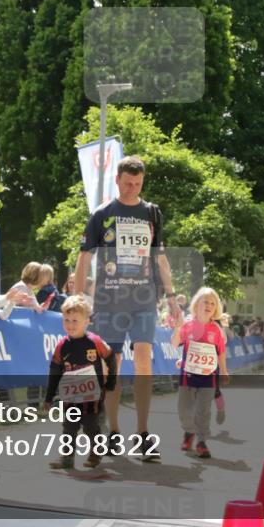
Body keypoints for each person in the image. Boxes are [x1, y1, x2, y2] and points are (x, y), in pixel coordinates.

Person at [74, 155, 181, 462]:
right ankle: (113, 433)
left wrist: (172, 296)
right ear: (118, 180)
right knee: (113, 365)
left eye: (138, 183)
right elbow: (84, 258)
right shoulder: (102, 214)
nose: (133, 188)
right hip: (110, 301)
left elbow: (160, 257)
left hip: (144, 299)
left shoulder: (152, 213)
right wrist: (79, 297)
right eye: (128, 182)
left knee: (144, 359)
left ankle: (144, 435)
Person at [44, 295, 118, 470]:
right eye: (66, 320)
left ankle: (96, 450)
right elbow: (54, 371)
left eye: (75, 320)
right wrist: (48, 397)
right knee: (69, 427)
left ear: (87, 321)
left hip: (92, 395)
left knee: (91, 425)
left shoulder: (96, 342)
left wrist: (111, 382)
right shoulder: (61, 346)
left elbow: (111, 358)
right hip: (70, 395)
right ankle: (67, 458)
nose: (70, 325)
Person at [171, 287, 229, 459]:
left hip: (208, 377)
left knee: (203, 410)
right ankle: (189, 432)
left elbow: (221, 351)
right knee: (184, 410)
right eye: (205, 302)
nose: (209, 305)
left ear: (216, 308)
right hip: (187, 376)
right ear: (196, 305)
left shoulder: (217, 329)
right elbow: (175, 344)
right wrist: (177, 328)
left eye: (213, 303)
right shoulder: (188, 325)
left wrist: (224, 370)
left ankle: (202, 441)